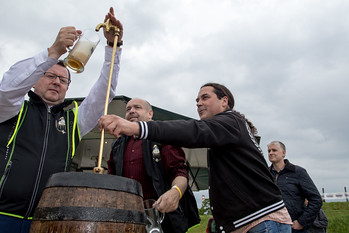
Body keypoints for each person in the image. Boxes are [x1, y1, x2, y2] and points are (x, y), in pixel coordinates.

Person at [98, 82, 293, 233]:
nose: (199, 103)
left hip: (261, 221)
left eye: (205, 97)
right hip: (247, 222)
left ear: (224, 101)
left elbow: (193, 132)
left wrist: (135, 127)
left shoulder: (231, 121)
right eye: (197, 100)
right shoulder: (117, 146)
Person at [0, 7, 123, 233]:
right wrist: (53, 52)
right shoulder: (13, 108)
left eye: (63, 80)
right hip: (3, 215)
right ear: (36, 80)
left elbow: (105, 92)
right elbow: (6, 88)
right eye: (50, 76)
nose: (57, 82)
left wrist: (112, 48)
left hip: (48, 219)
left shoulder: (73, 119)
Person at [107, 97, 199, 233]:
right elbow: (112, 179)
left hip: (164, 219)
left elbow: (179, 171)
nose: (131, 111)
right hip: (129, 219)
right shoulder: (117, 145)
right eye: (128, 109)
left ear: (150, 114)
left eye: (137, 107)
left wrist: (176, 192)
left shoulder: (163, 136)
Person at [267, 141, 323, 233]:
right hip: (272, 226)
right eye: (269, 151)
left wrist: (302, 222)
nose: (271, 153)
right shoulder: (265, 175)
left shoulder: (298, 172)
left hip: (294, 227)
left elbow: (316, 199)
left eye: (274, 150)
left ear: (283, 153)